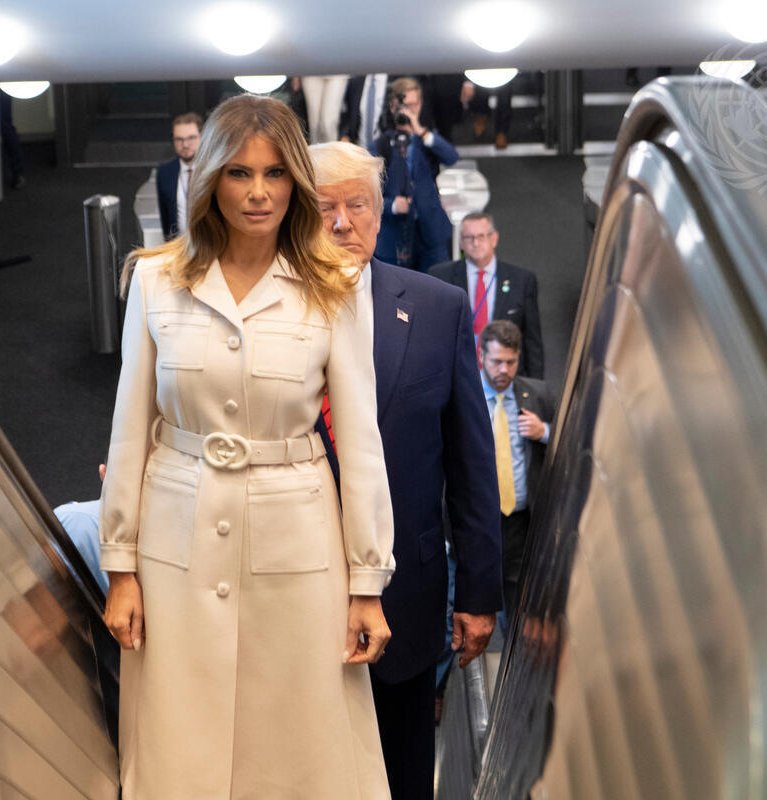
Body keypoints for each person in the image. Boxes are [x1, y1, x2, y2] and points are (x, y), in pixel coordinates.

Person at [99, 95, 395, 798]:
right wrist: (120, 567)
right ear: (209, 179)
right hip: (175, 547)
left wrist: (367, 583)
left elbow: (361, 443)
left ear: (295, 181)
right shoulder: (156, 280)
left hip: (298, 548)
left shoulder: (337, 287)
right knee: (179, 749)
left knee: (300, 751)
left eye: (274, 173)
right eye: (238, 173)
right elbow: (129, 427)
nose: (258, 192)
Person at [310, 141, 503, 800]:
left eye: (357, 205)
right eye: (324, 208)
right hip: (294, 597)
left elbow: (471, 462)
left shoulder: (437, 308)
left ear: (380, 213)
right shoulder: (266, 316)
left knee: (403, 777)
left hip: (407, 599)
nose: (342, 223)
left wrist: (478, 592)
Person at [478, 320, 555, 615]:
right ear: (481, 355)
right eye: (497, 361)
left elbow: (572, 437)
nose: (504, 370)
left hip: (522, 523)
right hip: (478, 523)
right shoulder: (464, 394)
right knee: (467, 611)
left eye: (511, 362)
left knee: (521, 609)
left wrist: (544, 431)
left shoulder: (538, 394)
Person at [430, 211, 545, 379]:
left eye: (481, 236)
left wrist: (535, 388)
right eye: (469, 238)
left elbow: (532, 341)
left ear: (494, 238)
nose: (475, 243)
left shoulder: (522, 280)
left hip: (506, 377)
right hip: (458, 376)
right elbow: (432, 334)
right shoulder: (440, 277)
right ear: (461, 242)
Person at [369, 77, 458, 271]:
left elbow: (451, 157)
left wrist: (421, 131)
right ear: (392, 107)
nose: (408, 111)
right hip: (393, 237)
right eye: (404, 106)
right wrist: (392, 205)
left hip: (430, 233)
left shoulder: (426, 139)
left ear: (421, 104)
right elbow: (366, 194)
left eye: (413, 105)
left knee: (437, 284)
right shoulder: (380, 146)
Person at [155, 112, 202, 238]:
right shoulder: (164, 172)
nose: (185, 145)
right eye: (179, 139)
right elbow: (165, 216)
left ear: (201, 137)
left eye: (191, 138)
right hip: (179, 244)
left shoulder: (215, 170)